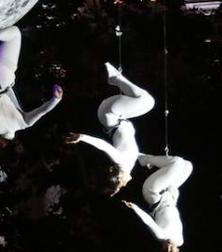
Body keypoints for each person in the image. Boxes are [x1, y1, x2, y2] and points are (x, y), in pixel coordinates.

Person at [66, 62, 155, 193]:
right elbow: (132, 151)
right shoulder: (128, 163)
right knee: (149, 102)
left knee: (146, 101)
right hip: (118, 117)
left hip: (109, 115)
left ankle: (115, 78)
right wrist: (149, 160)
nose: (124, 185)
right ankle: (116, 79)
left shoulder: (121, 162)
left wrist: (82, 137)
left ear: (118, 177)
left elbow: (103, 146)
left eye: (120, 185)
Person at [123, 153, 192, 252]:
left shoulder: (161, 235)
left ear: (162, 249)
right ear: (178, 250)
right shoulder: (180, 241)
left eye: (166, 250)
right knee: (187, 166)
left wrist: (134, 208)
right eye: (172, 250)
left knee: (177, 162)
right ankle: (152, 162)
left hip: (153, 193)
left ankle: (144, 159)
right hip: (170, 194)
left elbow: (148, 221)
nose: (169, 247)